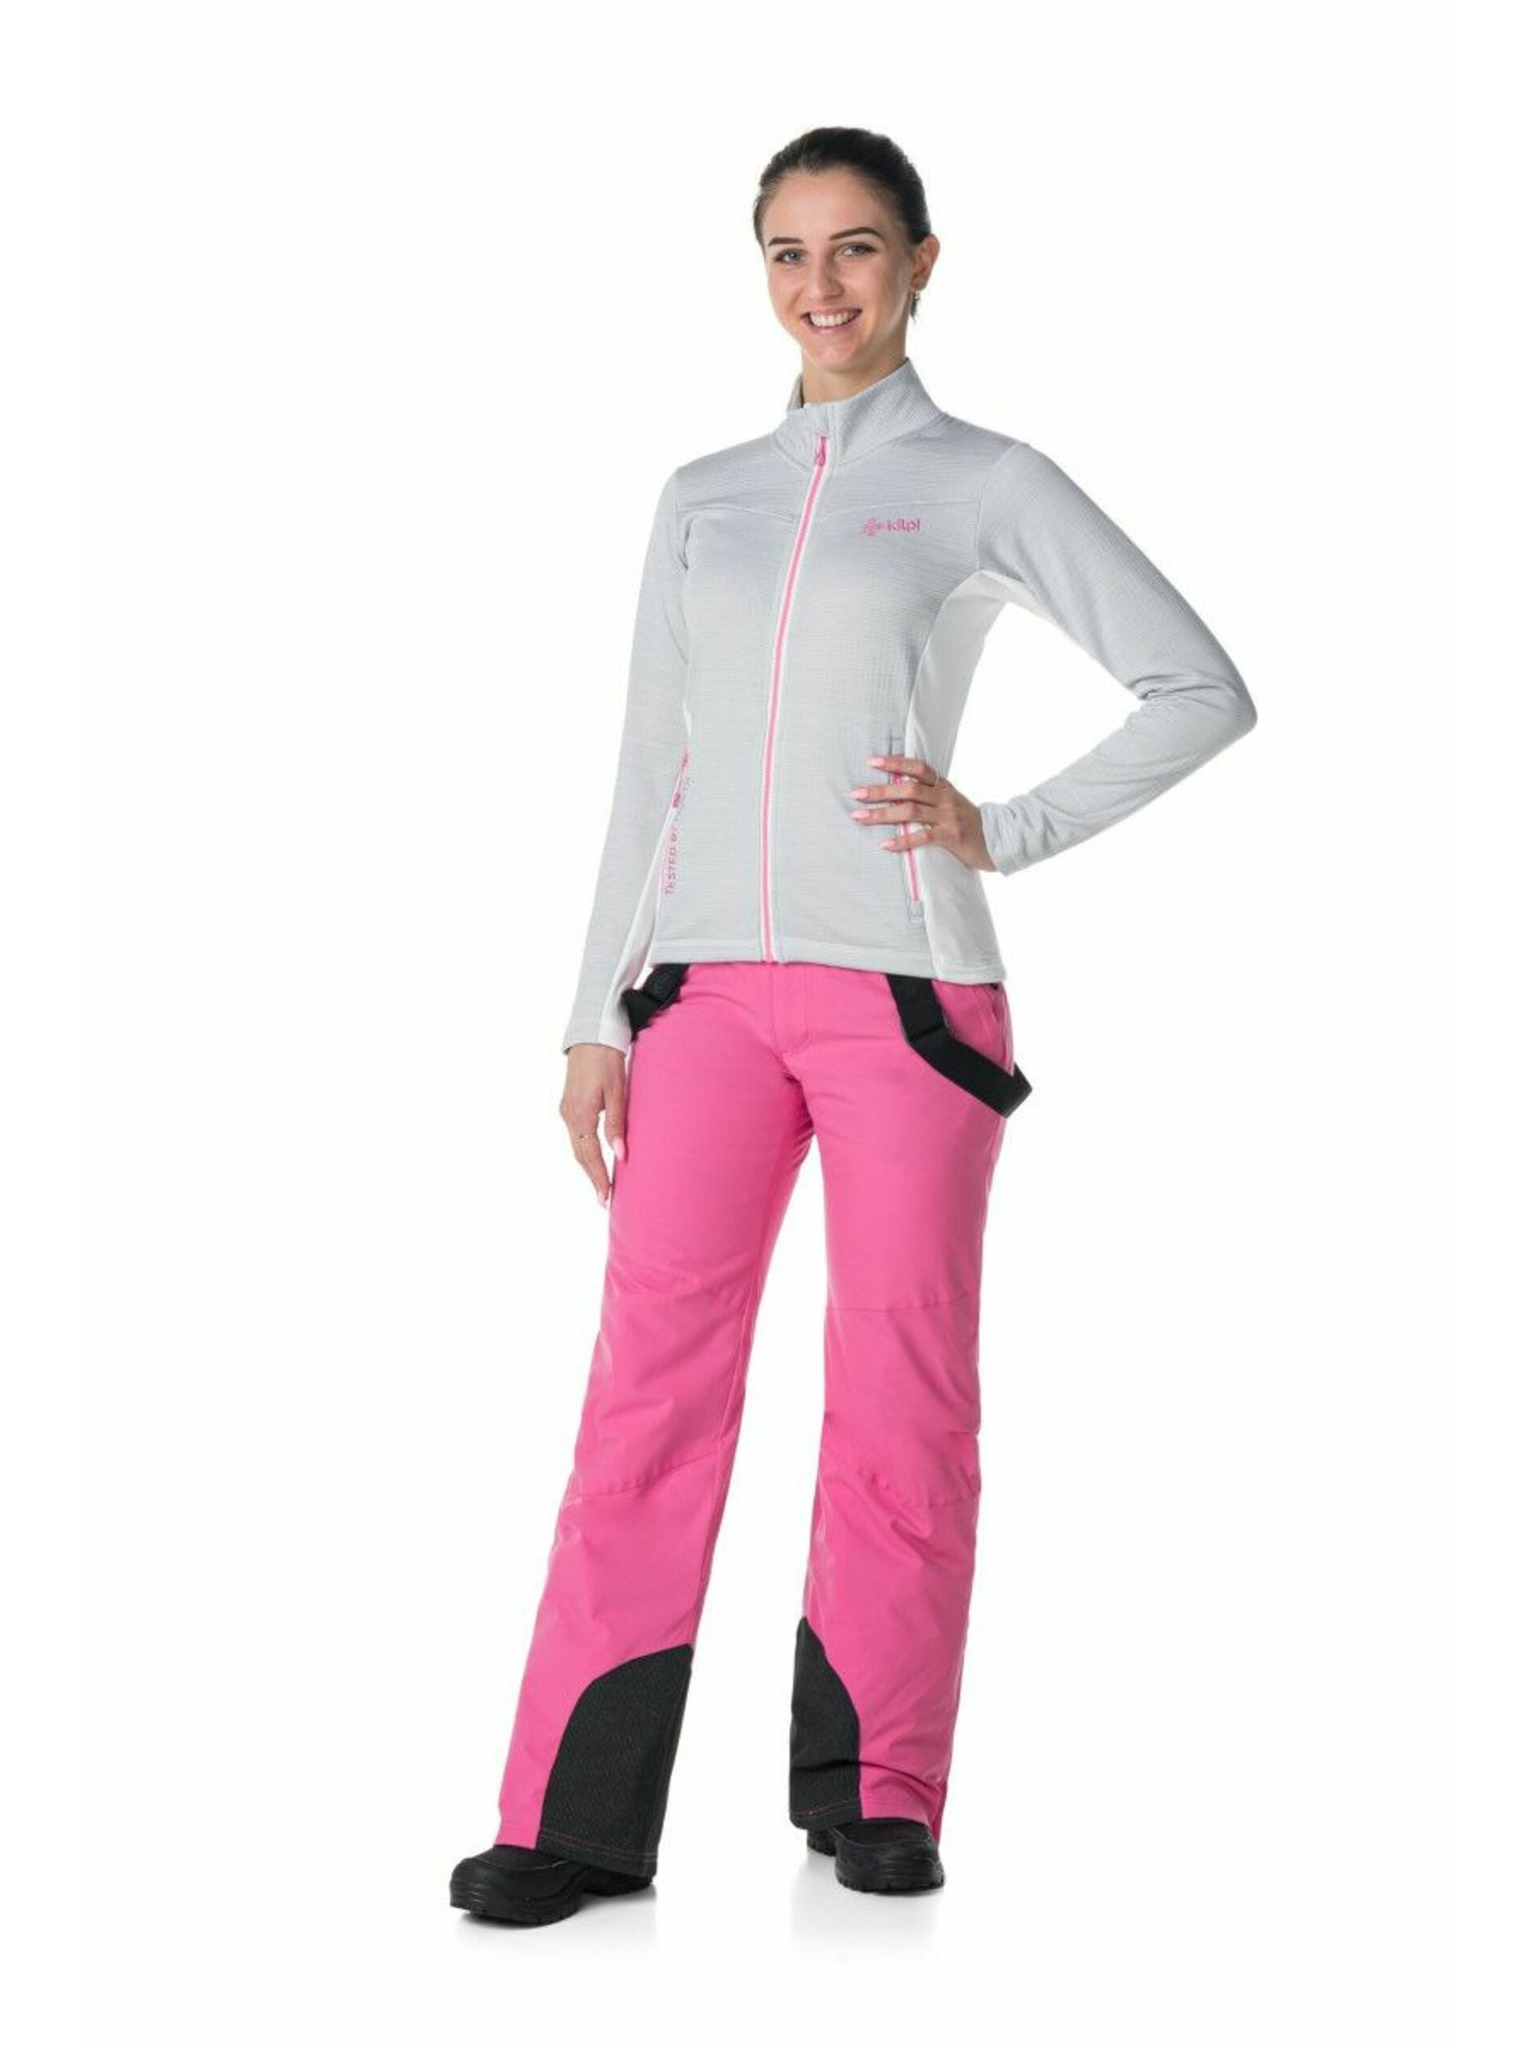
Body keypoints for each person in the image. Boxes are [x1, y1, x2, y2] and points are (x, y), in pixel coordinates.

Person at [451, 125, 1257, 1927]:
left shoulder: (984, 480)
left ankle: (879, 1792)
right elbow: (650, 769)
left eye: (858, 247)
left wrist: (1003, 826)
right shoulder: (705, 495)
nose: (822, 285)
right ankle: (573, 1822)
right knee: (646, 1396)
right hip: (700, 1001)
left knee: (902, 1392)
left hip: (908, 1001)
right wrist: (595, 1016)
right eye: (789, 253)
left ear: (921, 262)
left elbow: (1199, 687)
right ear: (762, 270)